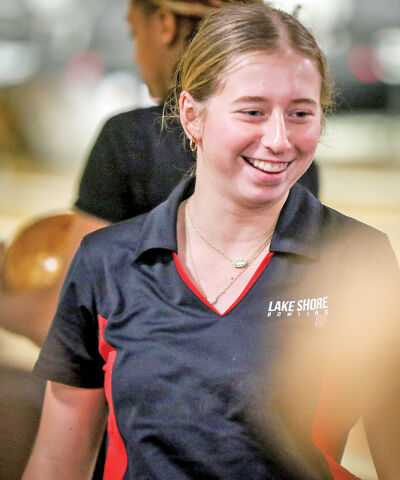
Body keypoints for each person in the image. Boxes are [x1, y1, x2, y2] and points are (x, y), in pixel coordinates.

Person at [23, 4, 400, 479]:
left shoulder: (357, 258)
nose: (280, 139)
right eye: (252, 111)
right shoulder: (106, 262)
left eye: (301, 112)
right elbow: (58, 462)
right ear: (191, 116)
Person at [0, 0, 319, 347]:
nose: (136, 55)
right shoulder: (294, 160)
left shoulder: (129, 140)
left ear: (165, 25)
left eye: (133, 33)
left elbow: (69, 326)